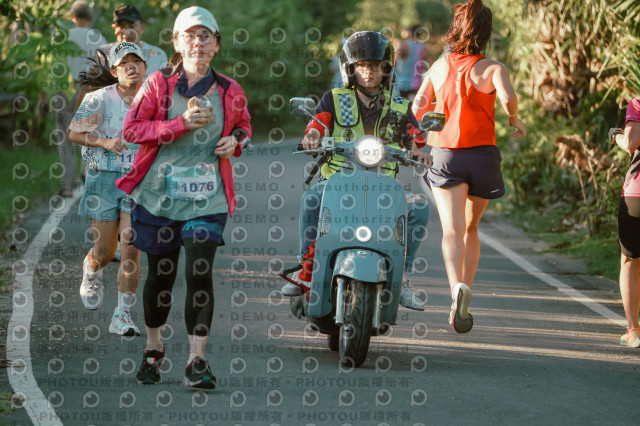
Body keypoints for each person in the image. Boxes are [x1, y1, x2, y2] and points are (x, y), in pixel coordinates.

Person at [116, 6, 251, 387]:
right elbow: (132, 130)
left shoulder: (230, 89)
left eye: (205, 36)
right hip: (159, 197)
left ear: (216, 45)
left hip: (208, 198)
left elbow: (244, 126)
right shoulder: (158, 84)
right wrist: (180, 124)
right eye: (189, 36)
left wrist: (235, 141)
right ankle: (153, 349)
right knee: (162, 277)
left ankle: (196, 361)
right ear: (176, 42)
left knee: (199, 272)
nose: (198, 43)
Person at [280, 31, 432, 311]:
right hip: (337, 182)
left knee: (419, 208)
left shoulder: (399, 105)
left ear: (386, 70)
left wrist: (419, 149)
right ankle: (306, 269)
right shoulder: (334, 98)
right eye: (362, 66)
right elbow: (318, 124)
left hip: (383, 186)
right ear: (350, 69)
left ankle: (402, 275)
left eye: (375, 66)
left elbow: (414, 136)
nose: (368, 72)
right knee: (311, 199)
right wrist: (312, 135)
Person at [412, 0, 526, 333]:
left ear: (456, 29)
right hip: (483, 156)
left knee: (451, 229)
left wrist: (418, 132)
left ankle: (455, 290)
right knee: (471, 229)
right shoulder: (493, 68)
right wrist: (514, 118)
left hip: (445, 155)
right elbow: (508, 99)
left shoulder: (439, 66)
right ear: (486, 33)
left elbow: (419, 105)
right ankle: (467, 290)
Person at [68, 42, 147, 336]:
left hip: (138, 181)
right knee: (105, 251)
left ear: (144, 67)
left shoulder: (152, 99)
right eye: (124, 62)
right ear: (114, 71)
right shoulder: (99, 98)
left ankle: (122, 315)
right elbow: (74, 133)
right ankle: (92, 269)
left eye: (136, 61)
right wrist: (105, 142)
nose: (131, 66)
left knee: (132, 246)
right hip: (104, 179)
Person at [55, 1, 107, 196]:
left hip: (63, 88)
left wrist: (43, 95)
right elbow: (104, 68)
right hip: (90, 88)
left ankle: (67, 186)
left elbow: (50, 67)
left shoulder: (61, 36)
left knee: (65, 137)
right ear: (91, 18)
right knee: (87, 131)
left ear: (71, 17)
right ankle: (87, 174)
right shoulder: (98, 38)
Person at [609, 101, 640, 347]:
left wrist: (615, 135)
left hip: (637, 193)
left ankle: (633, 330)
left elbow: (630, 144)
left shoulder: (638, 104)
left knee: (629, 260)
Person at [101, 4, 168, 79]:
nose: (127, 31)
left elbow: (166, 84)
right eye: (121, 26)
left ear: (142, 28)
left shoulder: (157, 55)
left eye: (131, 26)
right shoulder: (102, 54)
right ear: (114, 28)